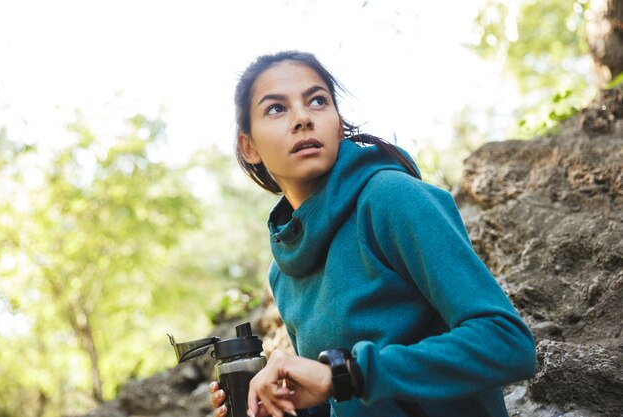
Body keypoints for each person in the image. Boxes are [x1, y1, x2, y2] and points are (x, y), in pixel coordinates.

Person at [208, 50, 537, 417]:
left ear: (337, 124)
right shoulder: (283, 272)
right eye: (275, 108)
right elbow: (335, 401)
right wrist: (277, 408)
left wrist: (348, 374)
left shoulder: (392, 199)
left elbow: (508, 343)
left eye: (318, 101)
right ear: (248, 146)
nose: (302, 118)